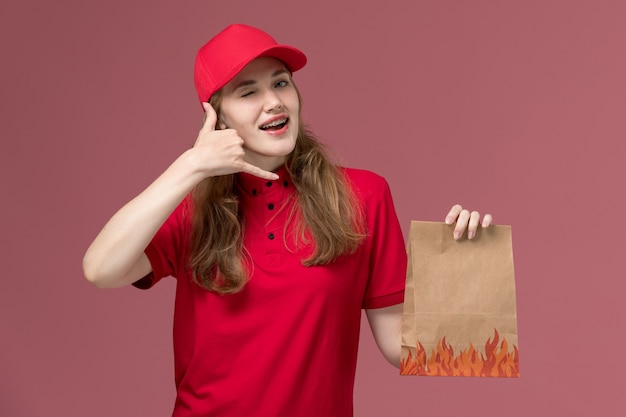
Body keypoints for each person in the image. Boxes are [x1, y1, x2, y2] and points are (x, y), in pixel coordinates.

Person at [83, 24, 493, 417]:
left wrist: (460, 273)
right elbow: (100, 270)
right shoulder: (192, 210)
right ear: (217, 117)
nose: (274, 102)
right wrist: (189, 167)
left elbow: (398, 345)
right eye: (248, 92)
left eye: (280, 83)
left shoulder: (364, 196)